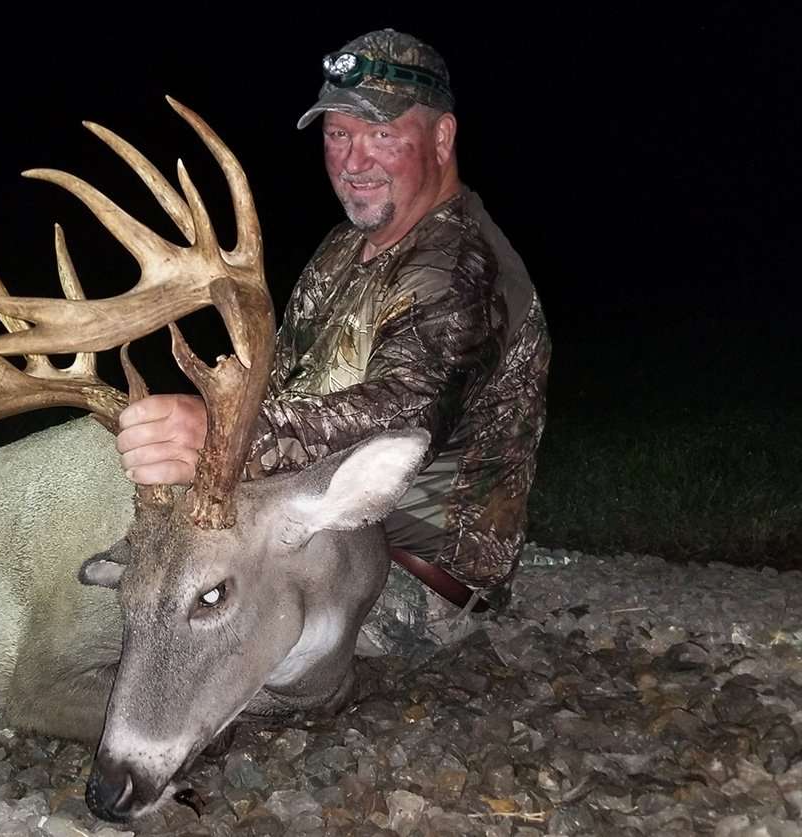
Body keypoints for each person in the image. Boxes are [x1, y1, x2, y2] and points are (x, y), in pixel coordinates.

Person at [116, 29, 550, 641]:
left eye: (381, 134)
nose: (353, 161)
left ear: (442, 138)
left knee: (166, 608)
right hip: (305, 517)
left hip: (407, 578)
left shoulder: (461, 263)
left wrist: (228, 434)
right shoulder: (342, 249)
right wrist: (213, 413)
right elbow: (283, 383)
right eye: (338, 135)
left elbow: (405, 417)